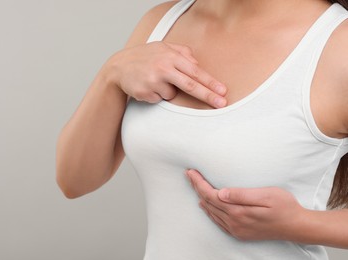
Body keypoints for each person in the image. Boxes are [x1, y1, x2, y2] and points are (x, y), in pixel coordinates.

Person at [56, 0, 348, 259]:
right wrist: (111, 74)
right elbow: (75, 181)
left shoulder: (338, 45)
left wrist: (299, 224)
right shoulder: (161, 22)